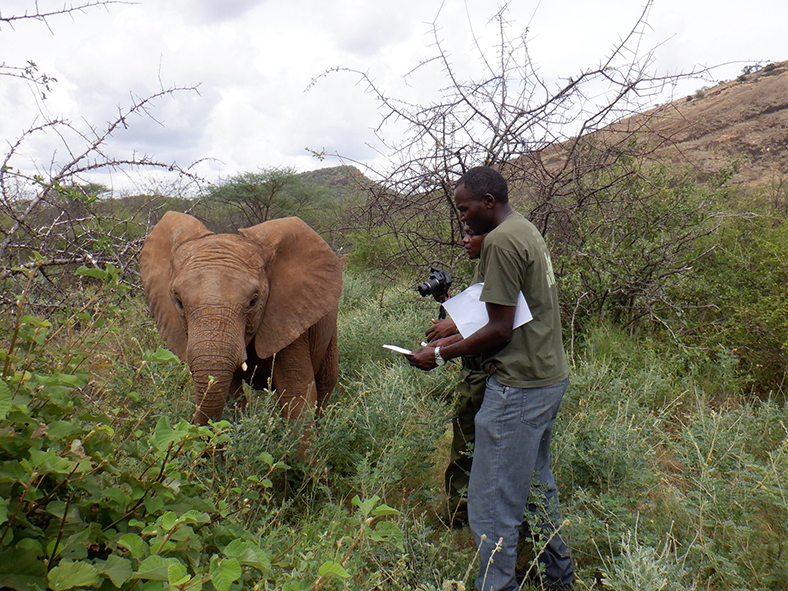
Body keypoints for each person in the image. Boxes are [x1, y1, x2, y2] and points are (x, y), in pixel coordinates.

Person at [407, 166, 575, 591]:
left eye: (465, 210)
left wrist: (440, 353)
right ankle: (558, 579)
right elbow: (512, 309)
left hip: (517, 387)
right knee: (536, 490)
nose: (462, 219)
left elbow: (500, 328)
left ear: (487, 202)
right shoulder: (523, 229)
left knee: (491, 508)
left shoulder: (500, 241)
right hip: (546, 377)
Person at [425, 227, 487, 526]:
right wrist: (448, 302)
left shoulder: (500, 266)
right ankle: (463, 515)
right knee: (466, 447)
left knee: (467, 449)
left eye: (472, 233)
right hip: (474, 371)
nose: (465, 239)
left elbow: (492, 326)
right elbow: (478, 316)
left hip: (483, 374)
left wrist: (442, 347)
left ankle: (462, 517)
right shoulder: (484, 268)